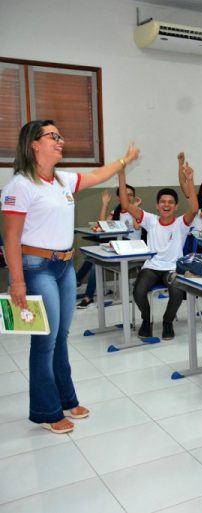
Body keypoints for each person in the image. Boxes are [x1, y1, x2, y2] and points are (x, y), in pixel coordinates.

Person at [1, 119, 139, 434]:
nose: (60, 141)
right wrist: (17, 281)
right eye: (53, 136)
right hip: (37, 268)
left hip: (64, 266)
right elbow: (10, 238)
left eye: (60, 136)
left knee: (61, 337)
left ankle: (66, 399)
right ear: (34, 143)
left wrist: (124, 161)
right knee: (45, 341)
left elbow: (97, 175)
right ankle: (47, 411)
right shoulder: (20, 186)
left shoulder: (62, 180)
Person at [120, 162, 198, 341]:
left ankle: (167, 322)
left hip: (172, 268)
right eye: (163, 201)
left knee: (177, 292)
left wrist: (190, 180)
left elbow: (194, 208)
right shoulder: (150, 220)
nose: (166, 205)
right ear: (157, 205)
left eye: (170, 202)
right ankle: (146, 320)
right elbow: (125, 203)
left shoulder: (181, 224)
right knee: (139, 291)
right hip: (152, 267)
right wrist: (121, 174)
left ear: (176, 207)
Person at [77, 186, 143, 308]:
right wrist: (105, 204)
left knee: (96, 259)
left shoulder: (138, 211)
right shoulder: (116, 211)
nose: (128, 197)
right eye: (125, 194)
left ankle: (86, 293)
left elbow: (137, 227)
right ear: (119, 197)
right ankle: (79, 283)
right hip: (120, 245)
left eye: (130, 194)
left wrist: (135, 209)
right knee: (93, 255)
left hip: (132, 249)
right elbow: (102, 224)